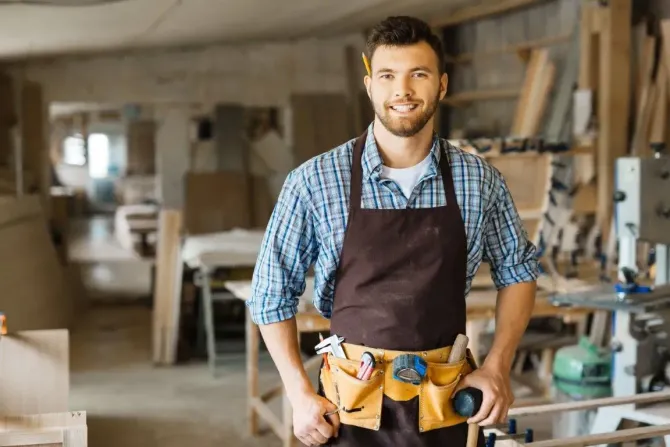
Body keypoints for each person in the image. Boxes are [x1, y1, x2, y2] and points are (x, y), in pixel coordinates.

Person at [246, 15, 538, 447]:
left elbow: (518, 271)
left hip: (444, 403)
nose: (402, 91)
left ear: (441, 85)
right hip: (350, 407)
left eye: (417, 75)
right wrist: (298, 390)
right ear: (370, 86)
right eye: (387, 76)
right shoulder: (315, 181)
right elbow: (270, 294)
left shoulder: (479, 181)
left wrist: (497, 365)